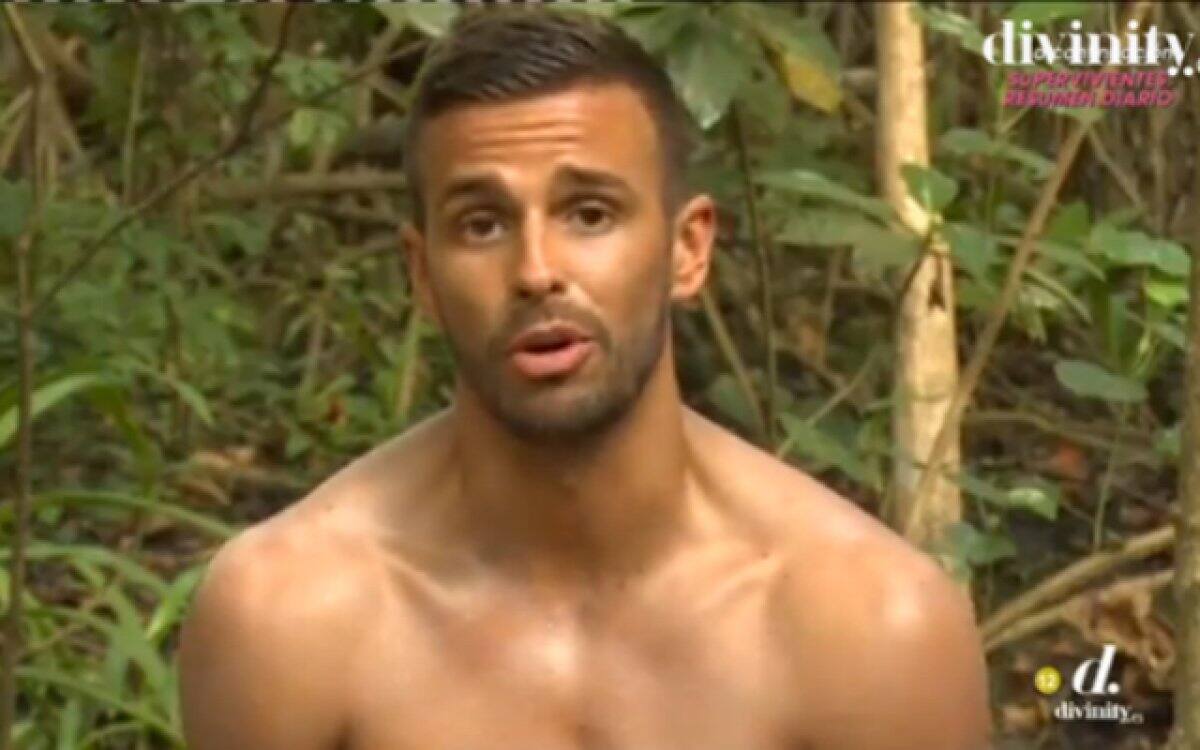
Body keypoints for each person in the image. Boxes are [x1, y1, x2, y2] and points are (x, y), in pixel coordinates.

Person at [178, 7, 991, 749]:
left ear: (688, 249)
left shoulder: (868, 628)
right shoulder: (292, 618)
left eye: (589, 214)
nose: (537, 270)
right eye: (482, 224)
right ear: (422, 274)